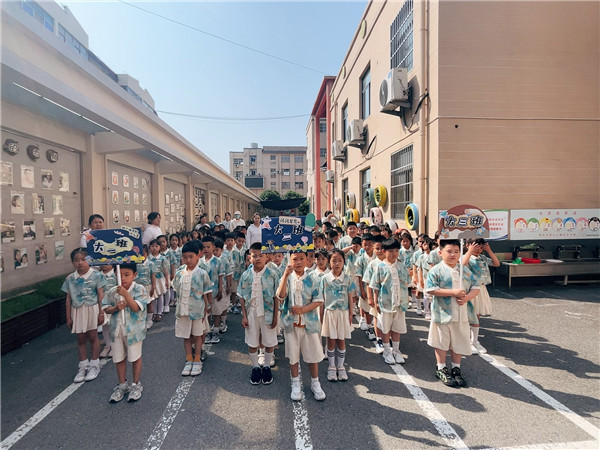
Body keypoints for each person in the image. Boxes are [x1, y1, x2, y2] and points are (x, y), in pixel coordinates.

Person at [426, 240, 480, 387]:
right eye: (449, 251)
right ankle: (441, 367)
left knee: (459, 341)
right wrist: (453, 292)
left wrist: (468, 297)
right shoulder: (436, 270)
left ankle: (456, 368)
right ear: (440, 253)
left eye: (456, 251)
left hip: (462, 314)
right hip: (442, 314)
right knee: (442, 342)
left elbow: (476, 286)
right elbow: (430, 289)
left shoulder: (464, 270)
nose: (453, 254)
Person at [277, 250, 326, 401]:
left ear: (307, 260)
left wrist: (302, 310)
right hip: (292, 324)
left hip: (309, 323)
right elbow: (280, 296)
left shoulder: (313, 277)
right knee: (293, 355)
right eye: (295, 259)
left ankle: (315, 382)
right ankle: (295, 382)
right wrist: (285, 276)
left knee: (313, 355)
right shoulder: (287, 277)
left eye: (301, 259)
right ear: (290, 260)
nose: (298, 262)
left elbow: (318, 300)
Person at [102, 264, 147, 402]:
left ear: (134, 275)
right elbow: (106, 308)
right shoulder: (112, 291)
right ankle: (122, 385)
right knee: (119, 358)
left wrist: (126, 295)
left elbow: (135, 308)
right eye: (119, 274)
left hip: (133, 331)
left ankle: (136, 384)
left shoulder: (139, 289)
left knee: (135, 357)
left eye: (127, 274)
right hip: (117, 330)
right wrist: (116, 307)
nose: (123, 278)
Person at [61, 248, 106, 383]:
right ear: (72, 262)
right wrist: (68, 316)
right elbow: (68, 298)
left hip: (92, 308)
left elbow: (100, 295)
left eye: (83, 259)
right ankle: (83, 365)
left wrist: (101, 311)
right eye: (76, 260)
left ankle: (94, 364)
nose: (80, 263)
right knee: (80, 338)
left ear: (89, 260)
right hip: (77, 310)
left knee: (93, 336)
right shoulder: (70, 278)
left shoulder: (97, 275)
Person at [238, 243, 280, 385]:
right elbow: (242, 296)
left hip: (267, 313)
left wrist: (275, 316)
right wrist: (244, 315)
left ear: (267, 257)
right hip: (251, 312)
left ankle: (267, 366)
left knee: (269, 340)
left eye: (261, 256)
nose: (257, 258)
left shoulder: (272, 275)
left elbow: (276, 297)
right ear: (249, 257)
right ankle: (255, 367)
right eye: (254, 256)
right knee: (252, 340)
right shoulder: (245, 275)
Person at [370, 239, 411, 365]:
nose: (394, 254)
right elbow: (375, 286)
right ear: (384, 251)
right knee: (386, 328)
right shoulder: (380, 267)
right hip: (385, 303)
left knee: (397, 327)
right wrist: (375, 302)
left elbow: (407, 282)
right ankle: (387, 351)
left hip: (400, 303)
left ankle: (396, 351)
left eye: (397, 251)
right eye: (391, 251)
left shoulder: (402, 266)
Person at [173, 241, 211, 377]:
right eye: (185, 257)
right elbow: (177, 291)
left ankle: (197, 359)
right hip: (182, 311)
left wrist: (207, 309)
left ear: (197, 257)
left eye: (191, 257)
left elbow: (207, 293)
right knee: (186, 336)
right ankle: (189, 359)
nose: (188, 260)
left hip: (197, 312)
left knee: (197, 335)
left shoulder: (202, 273)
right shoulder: (179, 273)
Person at [320, 249, 355, 382]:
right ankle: (331, 366)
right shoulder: (324, 279)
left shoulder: (347, 279)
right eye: (334, 260)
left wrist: (351, 313)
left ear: (344, 262)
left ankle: (341, 366)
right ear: (329, 262)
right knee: (330, 341)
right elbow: (321, 299)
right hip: (329, 313)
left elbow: (350, 297)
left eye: (340, 260)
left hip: (343, 312)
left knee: (341, 340)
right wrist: (321, 315)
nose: (337, 263)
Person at [462, 238, 500, 355]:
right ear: (468, 245)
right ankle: (466, 341)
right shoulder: (466, 257)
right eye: (475, 245)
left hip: (481, 289)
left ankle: (474, 341)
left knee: (477, 315)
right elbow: (462, 265)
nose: (478, 248)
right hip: (470, 289)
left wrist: (489, 250)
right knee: (468, 315)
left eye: (480, 245)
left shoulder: (483, 258)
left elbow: (497, 263)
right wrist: (469, 251)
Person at [199, 236, 225, 344]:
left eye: (208, 247)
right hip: (204, 293)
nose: (206, 249)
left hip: (215, 291)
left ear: (213, 247)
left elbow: (220, 276)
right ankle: (208, 331)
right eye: (203, 247)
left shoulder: (218, 261)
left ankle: (216, 331)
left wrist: (220, 290)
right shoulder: (199, 262)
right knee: (207, 312)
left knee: (217, 312)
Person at [355, 233, 375, 336]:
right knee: (366, 307)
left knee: (375, 308)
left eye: (370, 244)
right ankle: (369, 327)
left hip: (376, 287)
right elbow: (359, 275)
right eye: (365, 244)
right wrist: (361, 289)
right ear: (362, 245)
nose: (367, 247)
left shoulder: (377, 257)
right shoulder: (361, 258)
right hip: (365, 286)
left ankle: (375, 326)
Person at [147, 239, 170, 322]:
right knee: (153, 296)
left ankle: (159, 312)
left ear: (160, 247)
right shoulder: (148, 258)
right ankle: (154, 312)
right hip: (151, 279)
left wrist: (167, 280)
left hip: (160, 279)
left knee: (160, 295)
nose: (154, 248)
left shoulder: (163, 258)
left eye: (156, 246)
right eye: (152, 246)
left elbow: (166, 270)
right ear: (149, 248)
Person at [213, 238, 233, 333]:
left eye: (217, 250)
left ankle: (223, 322)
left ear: (222, 250)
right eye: (214, 250)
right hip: (214, 287)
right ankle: (216, 321)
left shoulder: (224, 259)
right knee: (216, 306)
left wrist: (229, 285)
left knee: (224, 304)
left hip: (224, 286)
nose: (215, 252)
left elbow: (229, 273)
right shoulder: (211, 260)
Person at [99, 265, 117, 358]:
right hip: (102, 303)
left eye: (107, 262)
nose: (105, 265)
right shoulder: (98, 276)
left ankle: (114, 346)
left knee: (113, 324)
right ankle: (107, 345)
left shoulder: (116, 274)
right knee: (104, 325)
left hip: (113, 303)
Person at [135, 244, 156, 329]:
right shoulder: (135, 263)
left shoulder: (151, 263)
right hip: (137, 286)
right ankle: (140, 320)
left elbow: (153, 276)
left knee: (149, 303)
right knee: (138, 304)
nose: (141, 255)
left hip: (147, 286)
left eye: (143, 253)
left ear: (147, 253)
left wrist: (153, 287)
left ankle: (149, 320)